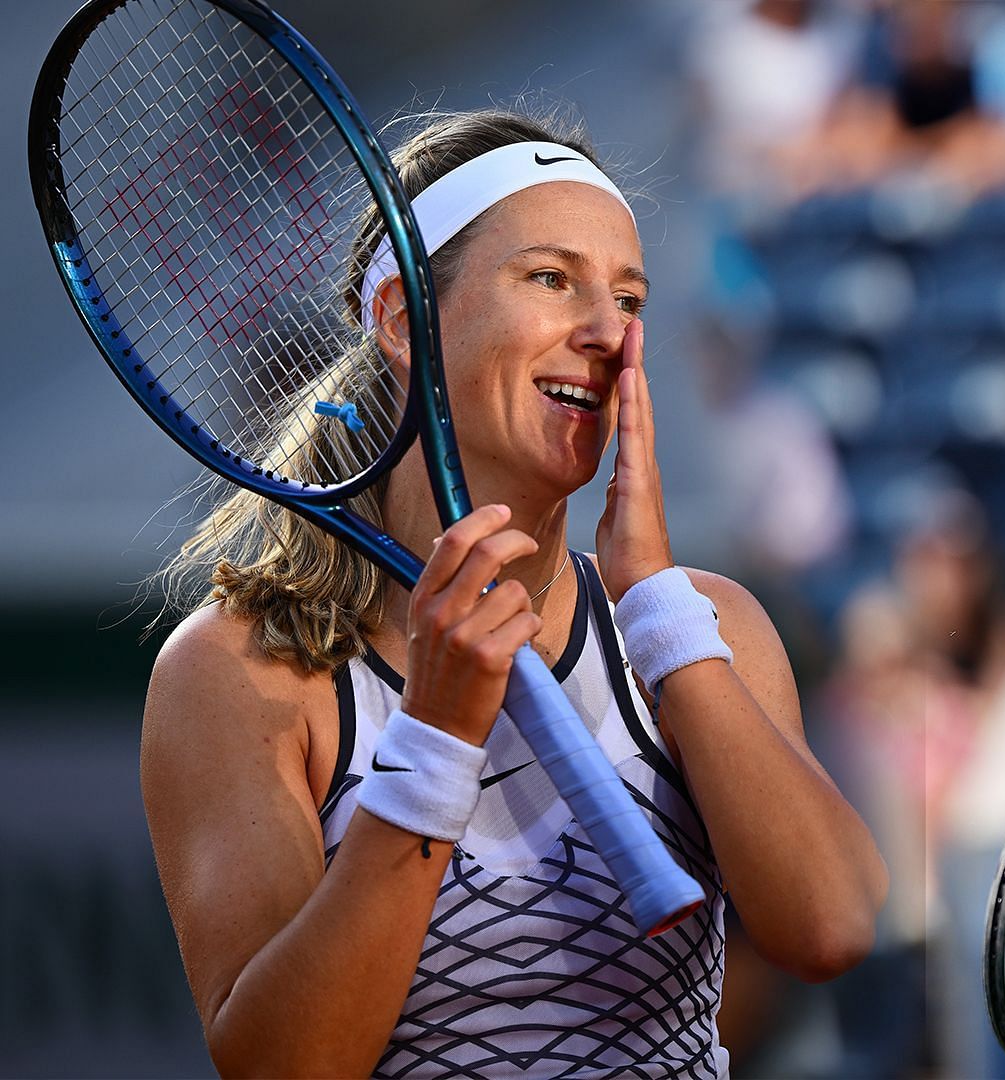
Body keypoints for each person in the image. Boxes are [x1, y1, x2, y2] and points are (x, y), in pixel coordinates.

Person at [139, 108, 887, 1077]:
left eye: (628, 297)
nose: (608, 333)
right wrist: (435, 743)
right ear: (405, 322)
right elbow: (282, 1065)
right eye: (551, 279)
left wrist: (656, 606)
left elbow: (831, 926)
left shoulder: (706, 625)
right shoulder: (237, 674)